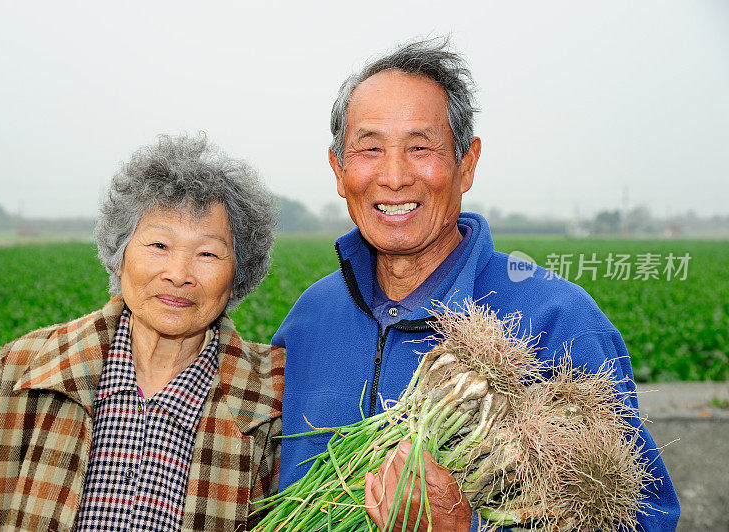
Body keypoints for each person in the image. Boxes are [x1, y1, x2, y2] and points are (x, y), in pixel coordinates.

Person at [272, 39, 680, 530]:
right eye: (370, 148)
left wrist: (468, 526)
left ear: (467, 164)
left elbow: (644, 518)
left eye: (420, 147)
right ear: (339, 170)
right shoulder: (310, 319)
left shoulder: (556, 320)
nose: (395, 176)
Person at [0, 134, 283, 532]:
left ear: (237, 276)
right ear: (119, 256)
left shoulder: (274, 400)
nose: (179, 275)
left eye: (207, 253)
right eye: (159, 244)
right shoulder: (23, 368)